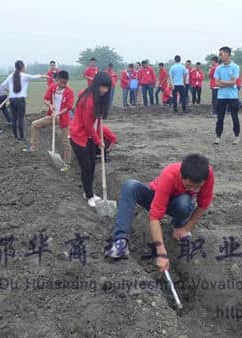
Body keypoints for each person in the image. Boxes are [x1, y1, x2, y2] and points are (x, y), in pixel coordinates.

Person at [104, 153, 215, 272]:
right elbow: (155, 217)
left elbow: (203, 205)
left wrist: (187, 228)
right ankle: (121, 241)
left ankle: (178, 225)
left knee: (185, 203)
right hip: (156, 196)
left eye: (198, 187)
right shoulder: (169, 174)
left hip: (179, 203)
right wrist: (161, 253)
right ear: (181, 176)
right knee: (130, 186)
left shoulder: (208, 174)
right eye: (189, 186)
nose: (194, 190)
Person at [69, 72, 112, 207]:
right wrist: (99, 142)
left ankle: (89, 192)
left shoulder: (95, 96)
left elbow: (97, 122)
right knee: (87, 168)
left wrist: (98, 138)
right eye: (102, 87)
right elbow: (88, 126)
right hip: (79, 137)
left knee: (92, 165)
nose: (105, 90)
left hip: (89, 137)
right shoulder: (90, 101)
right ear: (96, 85)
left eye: (107, 88)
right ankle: (88, 195)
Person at [29, 70, 74, 171]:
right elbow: (45, 99)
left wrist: (59, 113)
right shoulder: (52, 88)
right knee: (34, 124)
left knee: (66, 142)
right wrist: (50, 105)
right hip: (52, 115)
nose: (63, 84)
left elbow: (69, 107)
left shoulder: (69, 92)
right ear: (57, 80)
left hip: (63, 118)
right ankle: (34, 146)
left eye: (65, 82)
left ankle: (67, 163)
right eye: (61, 82)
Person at [1, 60, 47, 143]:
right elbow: (35, 77)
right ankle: (21, 137)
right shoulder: (24, 76)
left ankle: (15, 136)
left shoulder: (10, 76)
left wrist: (9, 91)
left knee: (14, 118)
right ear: (22, 67)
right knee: (20, 118)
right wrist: (45, 76)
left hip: (12, 100)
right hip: (20, 100)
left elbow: (3, 85)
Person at [214, 47, 241, 145]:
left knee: (235, 117)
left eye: (221, 54)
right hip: (221, 97)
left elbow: (234, 82)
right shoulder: (218, 68)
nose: (220, 56)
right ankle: (218, 137)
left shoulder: (235, 67)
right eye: (219, 54)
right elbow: (216, 83)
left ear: (227, 54)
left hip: (233, 96)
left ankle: (236, 136)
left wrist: (221, 82)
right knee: (220, 118)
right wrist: (228, 83)